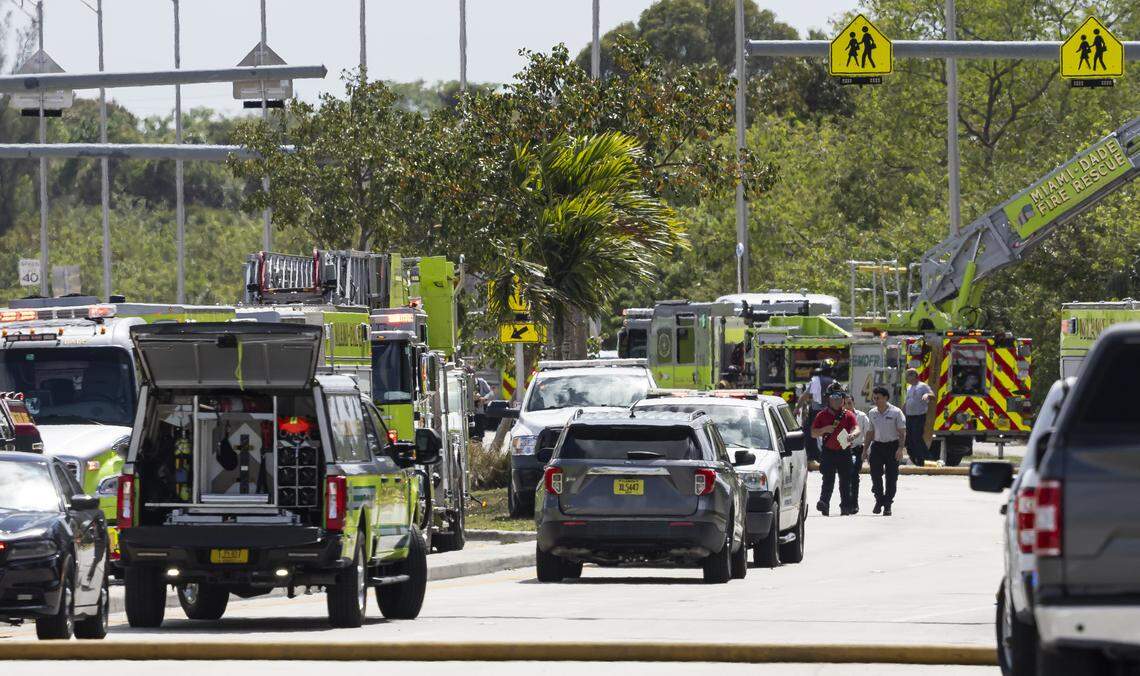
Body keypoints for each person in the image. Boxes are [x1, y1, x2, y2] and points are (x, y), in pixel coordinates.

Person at [811, 388, 859, 517]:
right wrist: (824, 429)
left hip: (844, 451)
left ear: (843, 400)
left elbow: (856, 428)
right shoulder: (821, 415)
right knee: (828, 479)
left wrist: (852, 435)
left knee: (845, 481)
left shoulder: (848, 414)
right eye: (834, 398)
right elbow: (813, 433)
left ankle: (845, 507)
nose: (837, 401)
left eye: (839, 398)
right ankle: (824, 504)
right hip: (828, 452)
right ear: (829, 400)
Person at [864, 386, 907, 516]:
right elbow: (870, 432)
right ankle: (879, 500)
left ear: (886, 398)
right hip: (877, 447)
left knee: (891, 478)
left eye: (878, 398)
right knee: (875, 476)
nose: (875, 400)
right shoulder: (872, 413)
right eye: (874, 398)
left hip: (892, 446)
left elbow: (902, 432)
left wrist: (900, 448)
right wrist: (865, 449)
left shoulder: (896, 412)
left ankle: (887, 504)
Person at [797, 360, 835, 463]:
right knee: (830, 433)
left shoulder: (815, 381)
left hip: (816, 411)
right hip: (830, 412)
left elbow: (805, 396)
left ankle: (813, 455)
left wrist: (797, 408)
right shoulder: (834, 382)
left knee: (809, 432)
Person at [843, 394, 870, 516]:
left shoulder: (862, 416)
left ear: (853, 403)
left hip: (857, 449)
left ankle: (854, 503)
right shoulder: (840, 416)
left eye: (850, 403)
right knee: (845, 477)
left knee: (854, 476)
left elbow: (868, 433)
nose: (848, 406)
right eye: (845, 403)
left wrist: (867, 451)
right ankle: (845, 503)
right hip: (843, 449)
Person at [903, 368, 934, 466]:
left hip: (919, 416)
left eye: (908, 376)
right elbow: (907, 402)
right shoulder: (909, 387)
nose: (906, 378)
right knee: (908, 439)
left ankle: (925, 458)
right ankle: (914, 457)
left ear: (914, 376)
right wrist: (901, 412)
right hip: (909, 416)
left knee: (916, 437)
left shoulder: (923, 386)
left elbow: (933, 395)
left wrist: (927, 395)